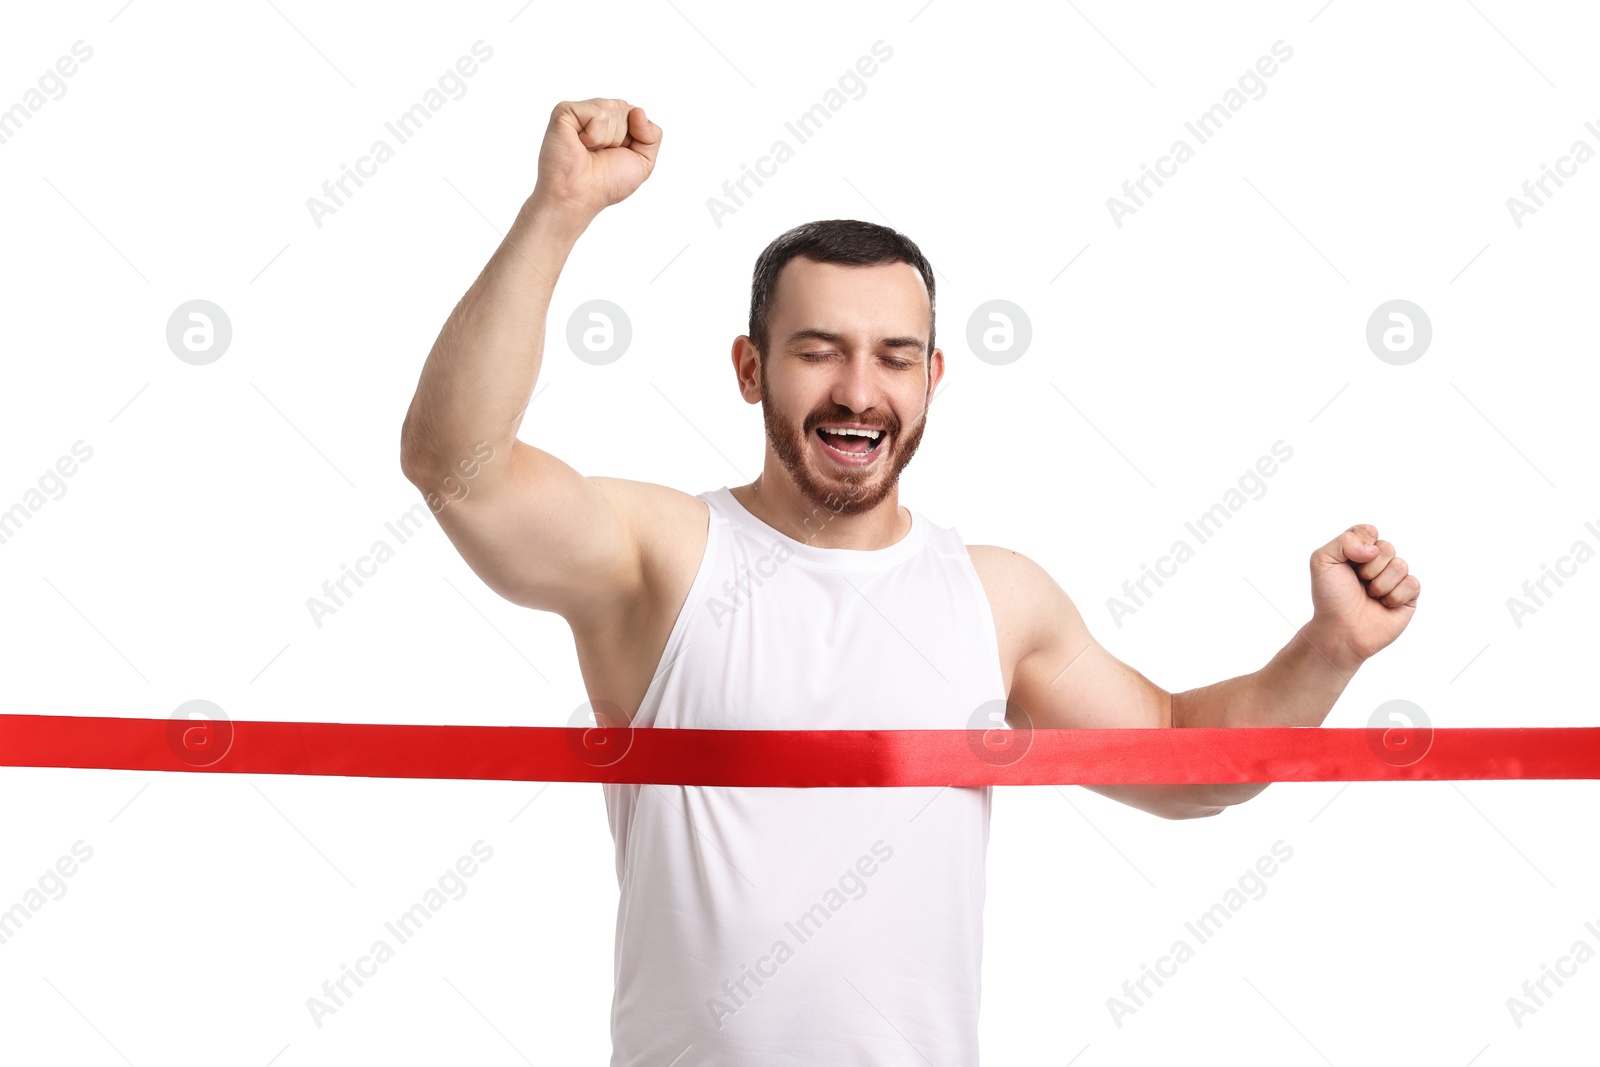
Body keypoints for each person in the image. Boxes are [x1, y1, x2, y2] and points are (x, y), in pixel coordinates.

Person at [399, 97, 1421, 1066]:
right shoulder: (660, 556)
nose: (857, 390)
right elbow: (456, 464)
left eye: (893, 357)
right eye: (818, 352)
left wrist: (1325, 649)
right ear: (750, 368)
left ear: (931, 379)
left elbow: (1188, 765)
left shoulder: (995, 596)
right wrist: (559, 211)